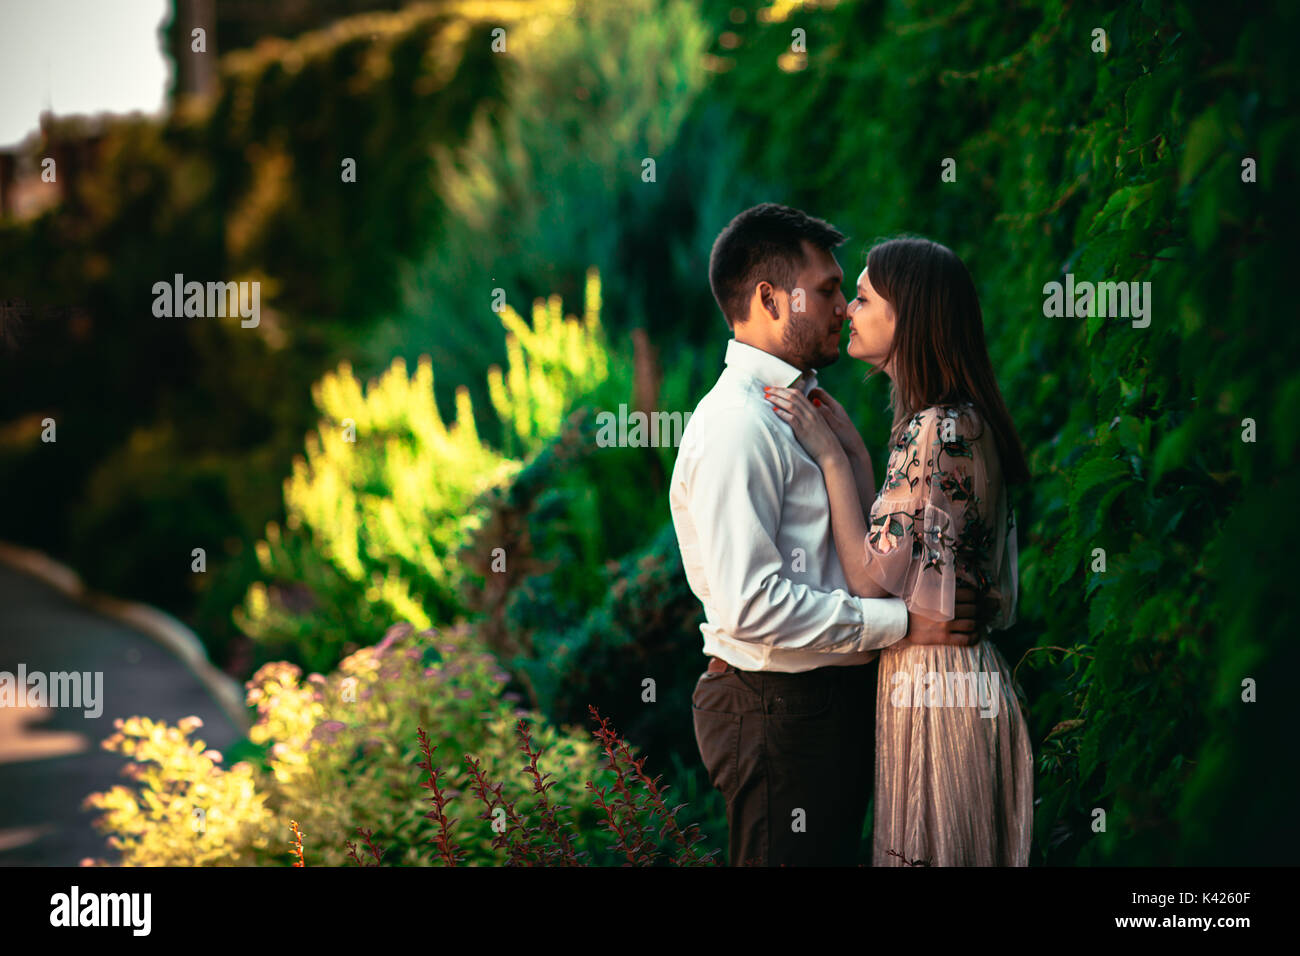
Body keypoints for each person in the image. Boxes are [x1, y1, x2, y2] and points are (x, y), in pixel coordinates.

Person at [669, 205, 993, 867]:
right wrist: (903, 624)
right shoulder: (738, 424)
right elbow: (751, 604)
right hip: (776, 710)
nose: (843, 308)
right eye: (826, 291)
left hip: (821, 706)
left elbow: (869, 553)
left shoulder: (806, 410)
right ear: (769, 300)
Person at [767, 235, 1033, 865]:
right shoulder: (958, 421)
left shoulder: (932, 430)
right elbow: (905, 563)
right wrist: (861, 457)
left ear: (906, 315)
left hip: (937, 688)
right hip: (960, 679)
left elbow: (869, 580)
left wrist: (832, 459)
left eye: (862, 298)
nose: (847, 311)